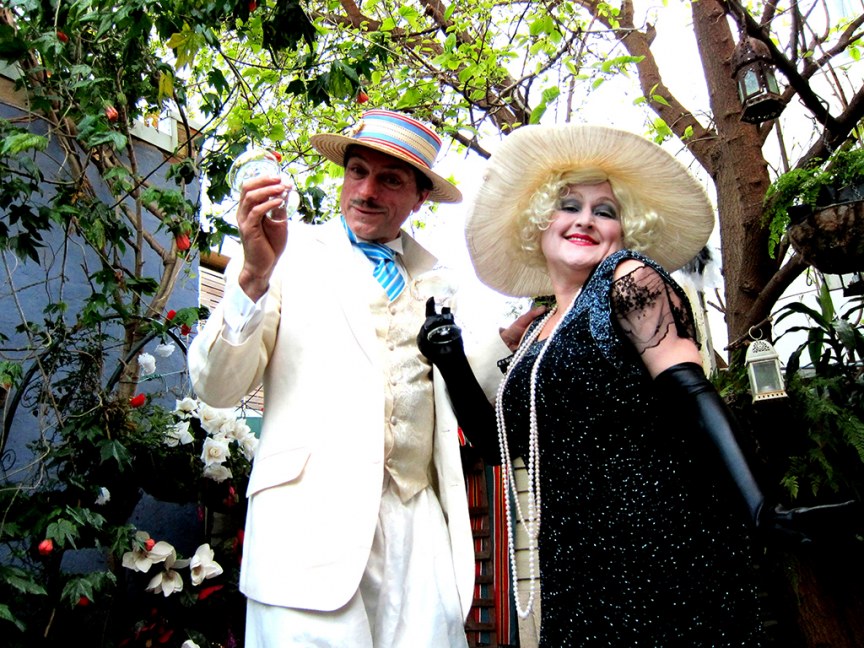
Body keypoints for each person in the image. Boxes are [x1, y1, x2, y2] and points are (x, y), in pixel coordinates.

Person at [417, 124, 858, 646]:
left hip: (662, 542)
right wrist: (449, 360)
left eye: (605, 211)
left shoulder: (629, 279)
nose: (586, 219)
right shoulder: (536, 333)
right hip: (578, 562)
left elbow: (690, 389)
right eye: (569, 205)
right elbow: (498, 445)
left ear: (624, 229)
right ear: (538, 221)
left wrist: (759, 505)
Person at [188, 109, 534, 647]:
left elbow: (451, 395)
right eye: (358, 172)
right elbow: (216, 389)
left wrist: (506, 342)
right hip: (307, 533)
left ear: (419, 197)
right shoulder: (283, 253)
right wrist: (254, 275)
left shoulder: (438, 278)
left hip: (418, 527)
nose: (367, 191)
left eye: (390, 179)